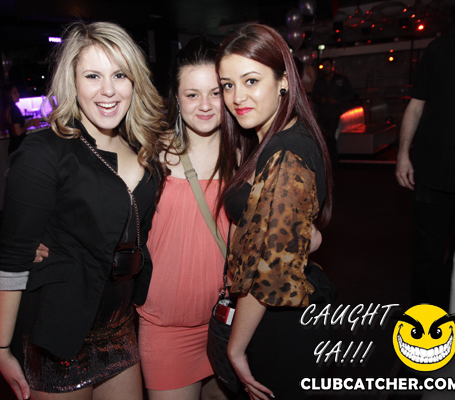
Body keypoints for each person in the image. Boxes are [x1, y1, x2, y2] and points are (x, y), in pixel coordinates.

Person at [0, 21, 166, 400]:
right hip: (59, 334)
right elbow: (14, 257)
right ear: (72, 81)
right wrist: (1, 348)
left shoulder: (143, 149)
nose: (108, 90)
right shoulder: (44, 152)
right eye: (92, 76)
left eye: (119, 75)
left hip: (120, 326)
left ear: (135, 80)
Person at [216, 24, 333, 399]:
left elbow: (269, 269)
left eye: (251, 81)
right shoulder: (278, 138)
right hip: (285, 318)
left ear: (284, 81)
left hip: (280, 327)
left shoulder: (285, 152)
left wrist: (235, 349)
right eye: (228, 85)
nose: (237, 97)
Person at [136, 37, 231, 400]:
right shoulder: (150, 154)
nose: (205, 105)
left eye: (216, 92)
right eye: (192, 94)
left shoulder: (246, 156)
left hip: (231, 322)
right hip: (167, 330)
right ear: (176, 97)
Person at [395, 26, 455, 310]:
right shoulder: (442, 48)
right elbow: (416, 105)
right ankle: (426, 319)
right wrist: (403, 154)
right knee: (427, 255)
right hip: (430, 171)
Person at [311, 57, 353, 168]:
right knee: (322, 137)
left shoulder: (341, 79)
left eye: (327, 66)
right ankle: (325, 161)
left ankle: (334, 162)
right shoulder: (319, 81)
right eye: (323, 66)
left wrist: (338, 101)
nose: (325, 68)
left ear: (332, 66)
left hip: (335, 113)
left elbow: (350, 94)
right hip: (322, 113)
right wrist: (321, 100)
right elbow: (314, 96)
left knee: (330, 136)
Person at [0, 83, 40, 154]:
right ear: (8, 95)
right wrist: (30, 124)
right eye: (14, 93)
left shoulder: (7, 109)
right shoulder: (14, 110)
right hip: (19, 147)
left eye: (17, 92)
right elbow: (18, 132)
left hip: (14, 147)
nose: (18, 94)